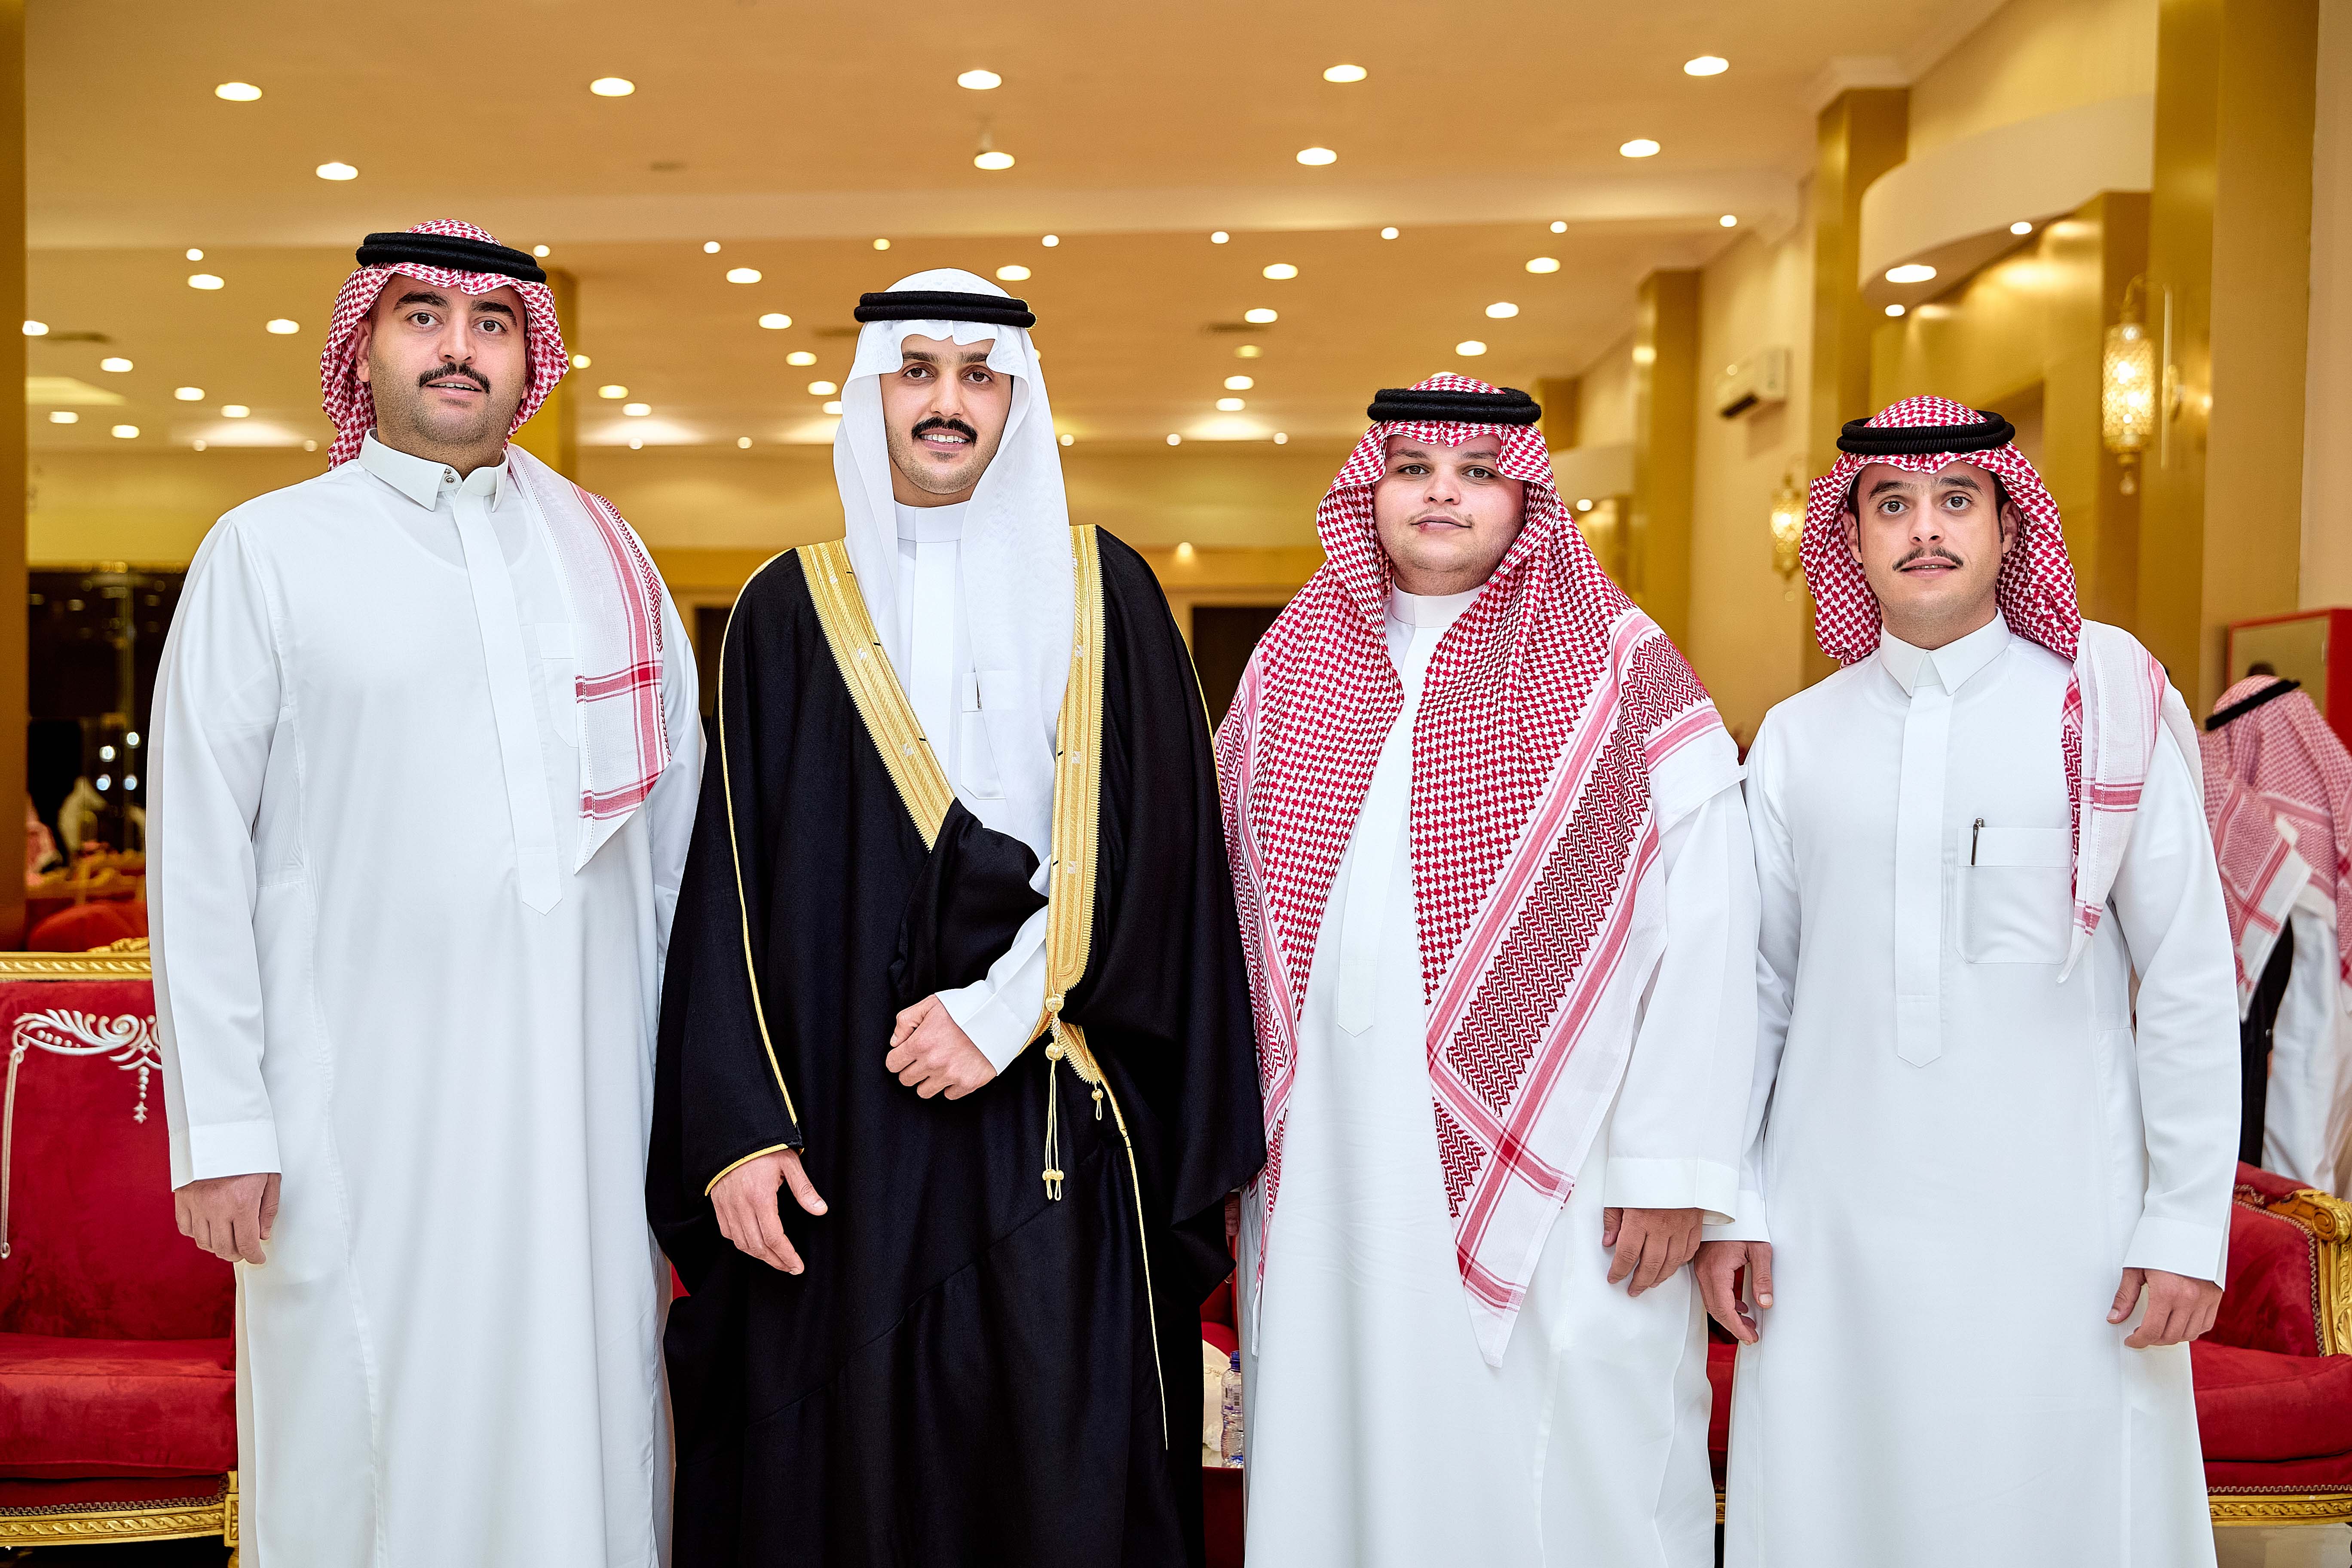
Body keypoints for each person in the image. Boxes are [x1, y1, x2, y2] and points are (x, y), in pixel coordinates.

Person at [648, 270, 1263, 1568]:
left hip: (1051, 1109)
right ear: (870, 393)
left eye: (978, 375)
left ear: (1017, 399)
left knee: (1053, 1466)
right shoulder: (785, 608)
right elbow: (731, 886)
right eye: (917, 371)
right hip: (840, 1134)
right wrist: (737, 1132)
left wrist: (1002, 1008)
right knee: (851, 1478)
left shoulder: (1108, 593)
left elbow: (1164, 857)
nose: (947, 402)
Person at [151, 220, 700, 1567]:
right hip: (351, 1113)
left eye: (492, 323)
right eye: (423, 316)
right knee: (362, 1427)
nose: (460, 348)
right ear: (363, 349)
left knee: (586, 1412)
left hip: (585, 1111)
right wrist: (225, 1124)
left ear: (530, 359)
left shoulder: (611, 561)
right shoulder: (267, 550)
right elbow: (201, 852)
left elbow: (679, 857)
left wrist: (694, 1109)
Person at [1218, 377, 1758, 1568]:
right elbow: (1222, 903)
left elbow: (1713, 927)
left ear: (1527, 499)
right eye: (1413, 470)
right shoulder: (1291, 663)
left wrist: (1674, 1167)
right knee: (1336, 1430)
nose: (1441, 495)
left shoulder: (1620, 666)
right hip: (1328, 1158)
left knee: (1558, 1456)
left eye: (1476, 473)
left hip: (1567, 1160)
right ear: (1371, 492)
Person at [1699, 395, 2238, 1568]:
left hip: (2063, 1222)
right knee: (1843, 1501)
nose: (1924, 529)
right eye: (1891, 505)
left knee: (2056, 1502)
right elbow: (1756, 993)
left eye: (1956, 500)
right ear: (1850, 539)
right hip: (1832, 1224)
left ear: (2007, 527)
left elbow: (2189, 977)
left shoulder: (2103, 716)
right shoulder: (1795, 737)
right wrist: (1734, 1202)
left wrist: (2186, 1222)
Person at [2202, 673, 2352, 1188]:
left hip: (2298, 1053)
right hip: (2332, 1047)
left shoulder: (2280, 857)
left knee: (2298, 1179)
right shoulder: (2331, 830)